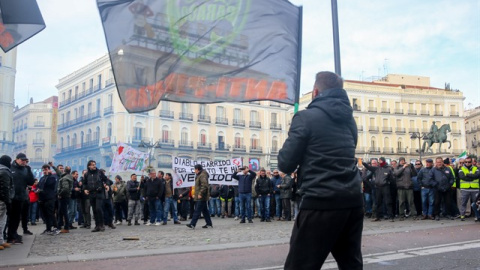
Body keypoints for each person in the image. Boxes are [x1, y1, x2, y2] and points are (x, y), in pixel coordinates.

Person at [279, 71, 363, 269]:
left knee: (300, 265)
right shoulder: (349, 120)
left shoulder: (305, 118)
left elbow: (285, 163)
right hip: (352, 200)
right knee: (351, 264)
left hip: (320, 200)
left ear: (315, 91)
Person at [8, 153, 35, 243]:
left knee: (16, 217)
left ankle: (13, 233)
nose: (24, 162)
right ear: (17, 159)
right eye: (22, 160)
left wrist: (29, 170)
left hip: (21, 197)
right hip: (11, 197)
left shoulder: (25, 169)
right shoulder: (10, 168)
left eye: (25, 160)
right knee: (9, 218)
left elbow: (31, 182)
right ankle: (9, 235)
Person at [364, 157, 394, 222]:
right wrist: (363, 163)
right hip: (378, 187)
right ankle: (378, 216)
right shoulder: (377, 168)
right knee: (378, 202)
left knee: (388, 202)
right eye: (379, 160)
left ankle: (391, 216)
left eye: (380, 160)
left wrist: (388, 183)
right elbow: (369, 167)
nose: (379, 162)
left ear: (383, 161)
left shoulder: (388, 169)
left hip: (385, 187)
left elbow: (392, 178)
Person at [82, 160, 109, 232]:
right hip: (91, 193)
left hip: (99, 193)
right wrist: (85, 189)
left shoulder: (99, 172)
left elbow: (106, 180)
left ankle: (102, 224)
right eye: (92, 165)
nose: (94, 166)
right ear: (89, 166)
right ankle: (97, 226)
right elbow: (84, 183)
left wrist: (107, 185)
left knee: (98, 208)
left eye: (95, 164)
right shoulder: (86, 174)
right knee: (94, 210)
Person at [186, 164, 212, 229]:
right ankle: (209, 223)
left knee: (197, 210)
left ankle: (192, 224)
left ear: (197, 169)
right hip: (200, 195)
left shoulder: (202, 175)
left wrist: (200, 193)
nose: (194, 171)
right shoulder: (200, 175)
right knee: (205, 211)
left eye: (195, 169)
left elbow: (204, 185)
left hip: (202, 196)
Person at [37, 164, 60, 236]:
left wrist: (48, 175)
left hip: (50, 198)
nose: (44, 171)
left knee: (50, 213)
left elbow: (50, 184)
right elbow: (39, 186)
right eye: (43, 170)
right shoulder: (42, 178)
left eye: (46, 169)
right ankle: (48, 228)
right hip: (43, 198)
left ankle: (56, 227)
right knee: (45, 215)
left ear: (49, 169)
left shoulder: (52, 177)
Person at [458, 156, 479, 221]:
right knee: (463, 203)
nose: (467, 163)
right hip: (465, 189)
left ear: (471, 162)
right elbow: (462, 177)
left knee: (476, 203)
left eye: (469, 162)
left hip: (475, 189)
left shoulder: (476, 168)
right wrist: (472, 177)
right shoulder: (461, 169)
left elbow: (477, 175)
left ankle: (477, 215)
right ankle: (462, 215)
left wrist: (467, 174)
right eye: (466, 162)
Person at [0, 155, 14, 249]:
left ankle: (1, 240)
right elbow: (6, 187)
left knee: (2, 221)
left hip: (2, 199)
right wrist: (8, 201)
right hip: (2, 200)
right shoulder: (4, 171)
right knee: (1, 221)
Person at [57, 166, 73, 233]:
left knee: (64, 212)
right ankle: (59, 226)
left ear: (64, 171)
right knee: (60, 212)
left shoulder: (65, 178)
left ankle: (66, 227)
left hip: (63, 197)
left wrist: (60, 194)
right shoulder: (69, 176)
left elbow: (65, 188)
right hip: (66, 196)